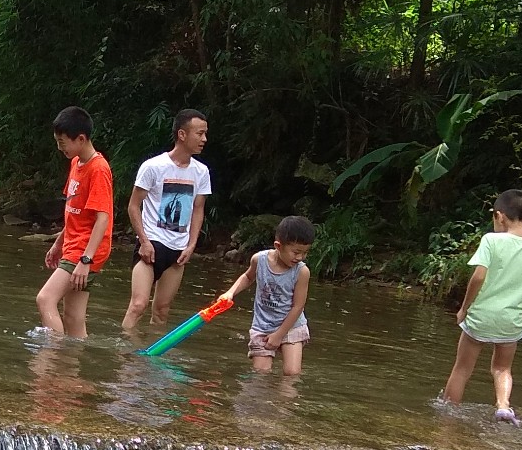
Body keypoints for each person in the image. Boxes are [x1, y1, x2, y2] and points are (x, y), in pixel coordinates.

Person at [442, 189, 522, 423]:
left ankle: (447, 413)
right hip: (512, 321)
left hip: (481, 316)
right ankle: (503, 406)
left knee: (462, 369)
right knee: (502, 369)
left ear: (499, 216)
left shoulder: (491, 241)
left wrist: (464, 308)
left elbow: (477, 277)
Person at [122, 108, 212, 332]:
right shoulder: (153, 167)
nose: (204, 139)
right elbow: (134, 206)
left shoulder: (201, 172)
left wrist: (192, 245)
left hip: (178, 250)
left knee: (162, 311)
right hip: (152, 244)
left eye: (205, 134)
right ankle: (123, 356)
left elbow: (197, 209)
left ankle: (151, 361)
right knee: (138, 305)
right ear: (182, 135)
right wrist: (143, 241)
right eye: (199, 134)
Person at [35, 106, 113, 338]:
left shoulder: (98, 169)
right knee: (73, 318)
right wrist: (59, 243)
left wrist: (85, 260)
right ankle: (72, 372)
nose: (60, 148)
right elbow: (74, 211)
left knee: (45, 299)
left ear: (81, 138)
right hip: (74, 245)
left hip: (86, 250)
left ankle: (52, 359)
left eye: (62, 142)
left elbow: (103, 218)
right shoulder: (76, 163)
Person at [223, 216, 314, 374]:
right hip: (263, 325)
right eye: (296, 252)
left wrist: (279, 335)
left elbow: (298, 306)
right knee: (261, 373)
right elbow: (247, 277)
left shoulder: (302, 272)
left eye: (305, 253)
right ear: (278, 246)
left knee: (291, 374)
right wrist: (230, 292)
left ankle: (286, 399)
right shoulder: (259, 260)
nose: (300, 257)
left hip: (291, 326)